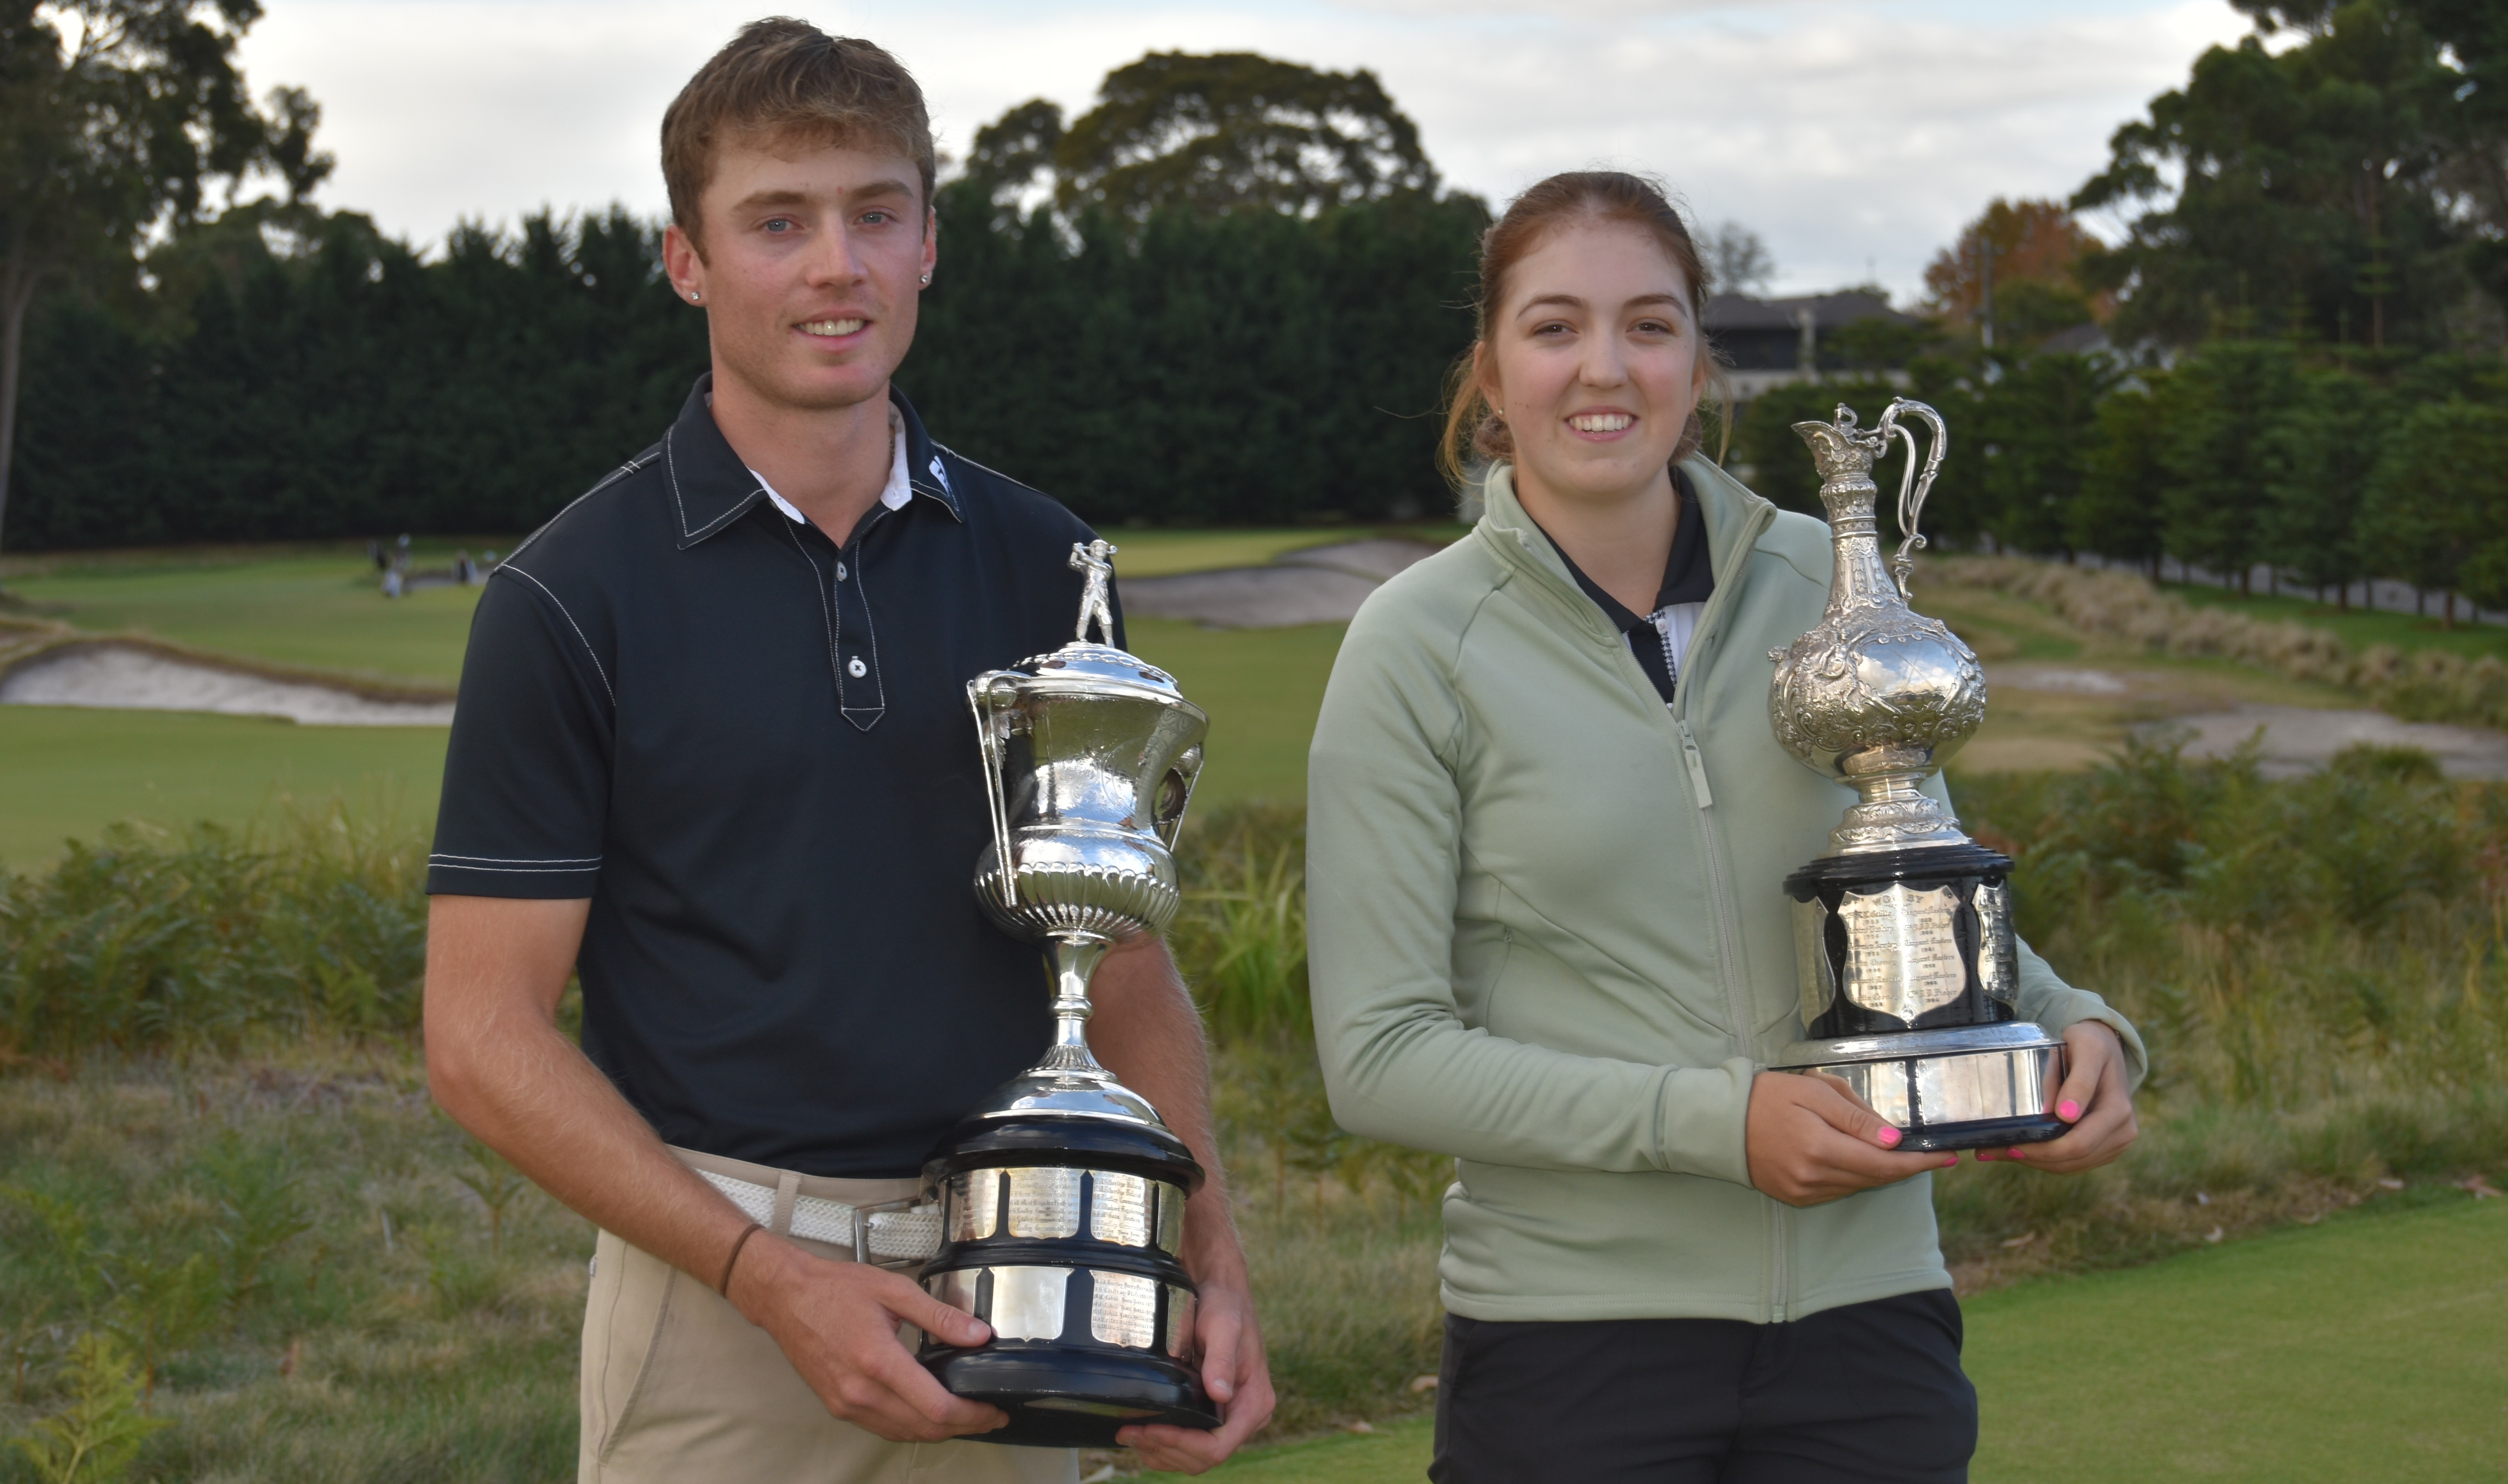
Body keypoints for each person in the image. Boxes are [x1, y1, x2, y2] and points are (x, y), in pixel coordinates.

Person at [421, 23, 1271, 1484]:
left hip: (1024, 1288)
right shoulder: (567, 597)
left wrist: (1199, 1238)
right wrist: (765, 1275)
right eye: (778, 222)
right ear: (686, 259)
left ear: (930, 242)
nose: (837, 266)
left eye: (876, 213)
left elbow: (1116, 956)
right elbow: (480, 1037)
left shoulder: (1051, 562)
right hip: (720, 1315)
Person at [1304, 172, 2143, 1484]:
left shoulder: (1827, 583)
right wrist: (1720, 1124)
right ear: (1491, 369)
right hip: (1573, 1345)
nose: (1605, 369)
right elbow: (1382, 1053)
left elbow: (1919, 889)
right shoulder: (1414, 647)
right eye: (1555, 326)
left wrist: (2079, 1024)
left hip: (1871, 1326)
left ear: (1702, 364)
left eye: (1648, 326)